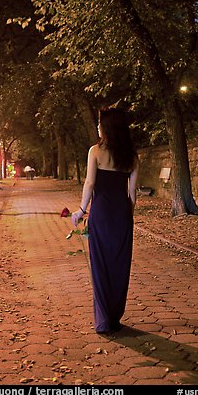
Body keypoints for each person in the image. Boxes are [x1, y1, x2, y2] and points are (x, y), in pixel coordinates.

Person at [71, 107, 140, 334]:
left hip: (100, 214)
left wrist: (81, 210)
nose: (97, 127)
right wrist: (127, 218)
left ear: (106, 127)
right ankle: (115, 317)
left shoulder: (95, 151)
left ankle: (103, 321)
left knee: (100, 266)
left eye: (99, 123)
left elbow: (90, 184)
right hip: (122, 216)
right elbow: (132, 193)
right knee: (120, 266)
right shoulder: (131, 156)